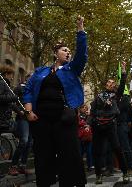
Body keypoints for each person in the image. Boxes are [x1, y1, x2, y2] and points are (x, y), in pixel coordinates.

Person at [23, 16, 87, 187]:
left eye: (68, 51)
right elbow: (28, 91)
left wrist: (80, 29)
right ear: (55, 53)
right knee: (43, 155)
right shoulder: (40, 71)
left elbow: (81, 55)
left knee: (68, 155)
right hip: (41, 119)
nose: (68, 53)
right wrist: (29, 111)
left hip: (64, 118)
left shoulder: (71, 69)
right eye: (64, 50)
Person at [90, 61, 130, 184]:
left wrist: (123, 71)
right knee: (97, 151)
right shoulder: (99, 96)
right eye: (108, 82)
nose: (110, 83)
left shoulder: (116, 96)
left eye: (112, 83)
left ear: (114, 86)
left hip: (111, 125)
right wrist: (93, 120)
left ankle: (125, 173)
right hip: (98, 126)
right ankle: (98, 175)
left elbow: (122, 84)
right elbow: (93, 110)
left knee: (117, 149)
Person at [8, 73, 33, 176]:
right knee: (24, 140)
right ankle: (13, 166)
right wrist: (19, 111)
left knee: (30, 143)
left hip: (32, 119)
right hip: (22, 118)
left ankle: (22, 166)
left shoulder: (34, 90)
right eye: (32, 77)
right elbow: (12, 101)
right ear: (27, 78)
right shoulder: (19, 88)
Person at [0, 65, 22, 178]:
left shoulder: (6, 85)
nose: (12, 78)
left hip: (5, 119)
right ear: (5, 74)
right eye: (11, 75)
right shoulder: (1, 83)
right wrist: (13, 97)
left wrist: (20, 112)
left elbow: (11, 104)